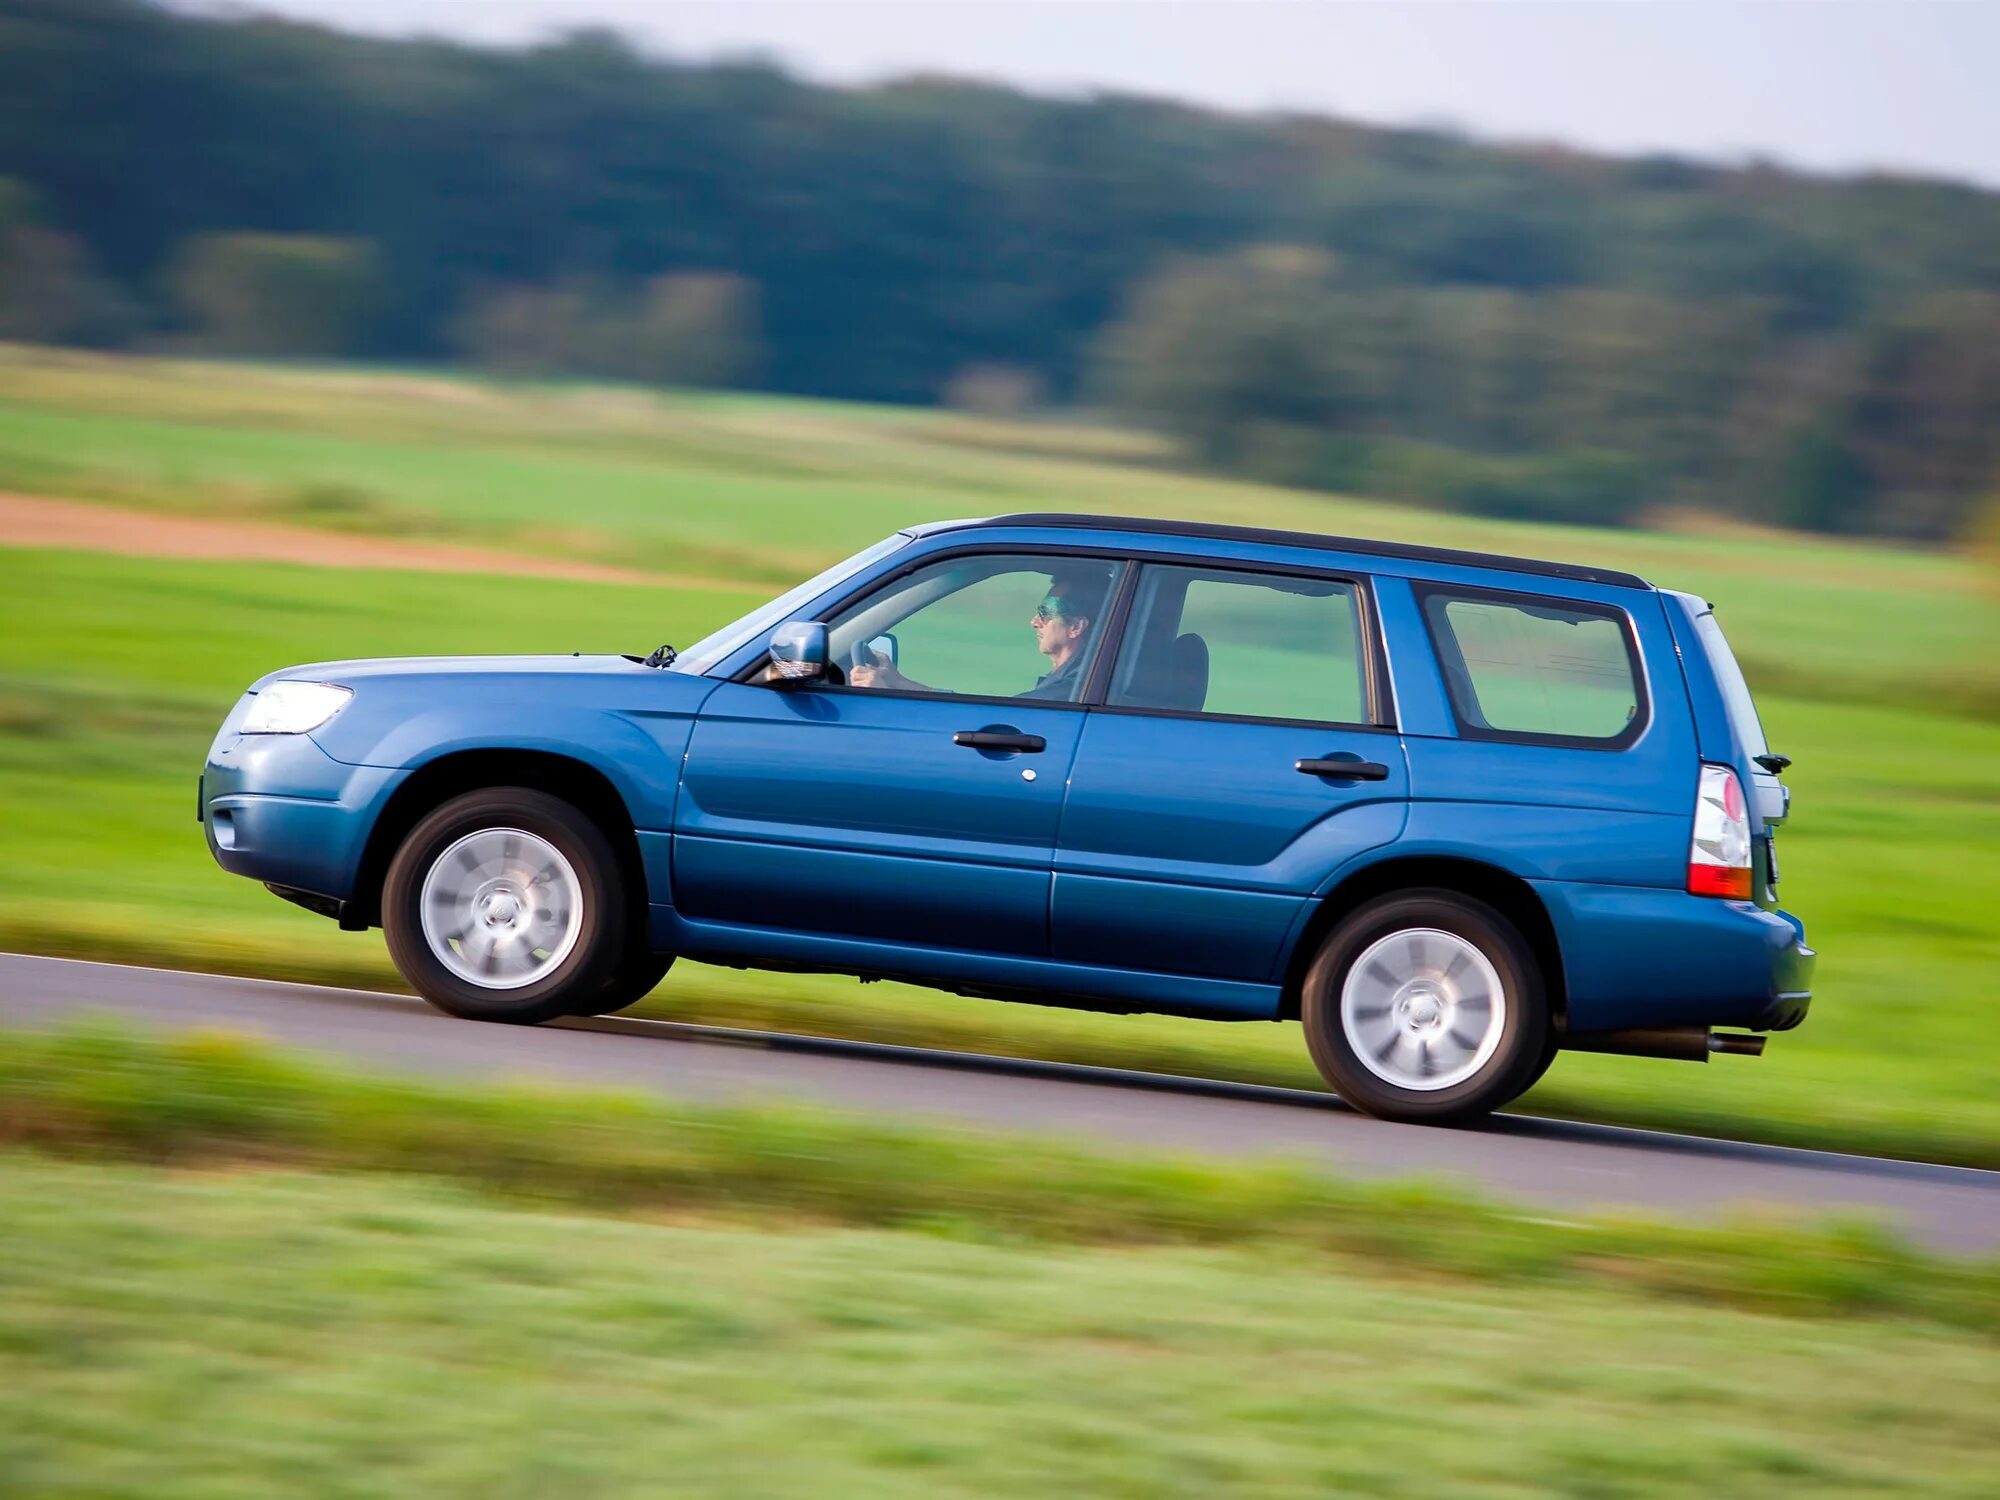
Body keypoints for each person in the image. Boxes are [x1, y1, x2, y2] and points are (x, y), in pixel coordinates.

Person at [848, 568, 1111, 700]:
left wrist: (886, 697)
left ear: (1076, 627)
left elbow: (997, 727)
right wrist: (897, 682)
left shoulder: (1066, 692)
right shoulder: (1076, 684)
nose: (1033, 622)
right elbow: (975, 713)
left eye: (1044, 613)